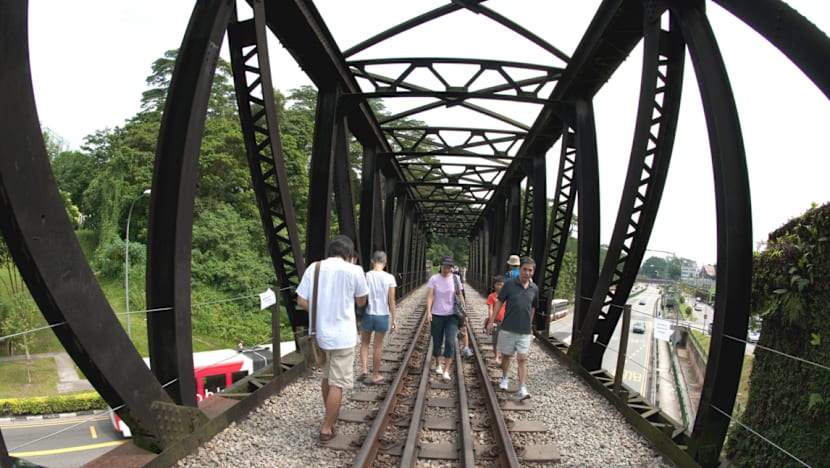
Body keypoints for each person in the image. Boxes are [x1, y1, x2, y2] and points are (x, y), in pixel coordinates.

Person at [296, 235, 369, 443]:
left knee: (327, 378)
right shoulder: (354, 270)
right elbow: (361, 301)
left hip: (321, 335)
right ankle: (327, 428)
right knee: (338, 383)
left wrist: (319, 313)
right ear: (349, 254)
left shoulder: (315, 268)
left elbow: (301, 300)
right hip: (343, 336)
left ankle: (330, 418)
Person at [487, 256, 538, 401]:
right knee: (506, 355)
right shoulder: (509, 284)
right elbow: (499, 302)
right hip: (508, 327)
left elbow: (533, 307)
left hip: (524, 330)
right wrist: (491, 321)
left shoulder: (534, 288)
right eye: (525, 269)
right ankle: (505, 377)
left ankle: (522, 387)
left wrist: (530, 325)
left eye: (530, 270)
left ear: (533, 272)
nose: (527, 273)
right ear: (519, 269)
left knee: (522, 358)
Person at [426, 255, 468, 381]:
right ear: (440, 266)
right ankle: (438, 364)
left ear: (452, 267)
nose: (446, 269)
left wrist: (464, 314)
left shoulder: (456, 278)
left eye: (449, 267)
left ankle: (446, 370)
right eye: (444, 266)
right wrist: (428, 312)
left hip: (452, 315)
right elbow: (430, 296)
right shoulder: (434, 279)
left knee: (450, 342)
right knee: (437, 341)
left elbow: (460, 295)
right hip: (437, 314)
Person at [359, 251, 397, 385]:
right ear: (385, 262)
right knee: (378, 346)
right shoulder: (390, 278)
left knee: (364, 343)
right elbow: (391, 300)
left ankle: (364, 369)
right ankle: (375, 375)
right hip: (382, 315)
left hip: (368, 314)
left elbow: (361, 296)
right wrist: (394, 319)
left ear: (372, 261)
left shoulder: (366, 276)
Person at [483, 275, 507, 364]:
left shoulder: (507, 296)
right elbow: (490, 308)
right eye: (497, 284)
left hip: (505, 321)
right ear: (494, 285)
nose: (499, 286)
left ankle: (503, 356)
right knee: (495, 340)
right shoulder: (492, 296)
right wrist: (491, 320)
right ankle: (496, 356)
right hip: (496, 321)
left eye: (501, 284)